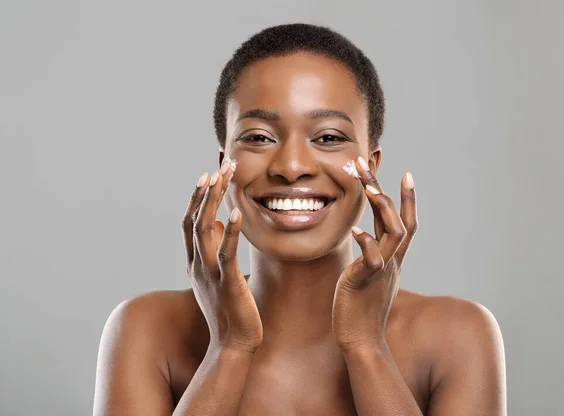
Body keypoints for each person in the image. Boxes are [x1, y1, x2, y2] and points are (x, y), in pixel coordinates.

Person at [93, 23, 506, 415]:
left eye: (328, 137)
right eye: (258, 137)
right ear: (225, 164)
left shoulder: (458, 336)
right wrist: (230, 348)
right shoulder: (147, 330)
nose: (291, 166)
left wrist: (366, 347)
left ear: (371, 165)